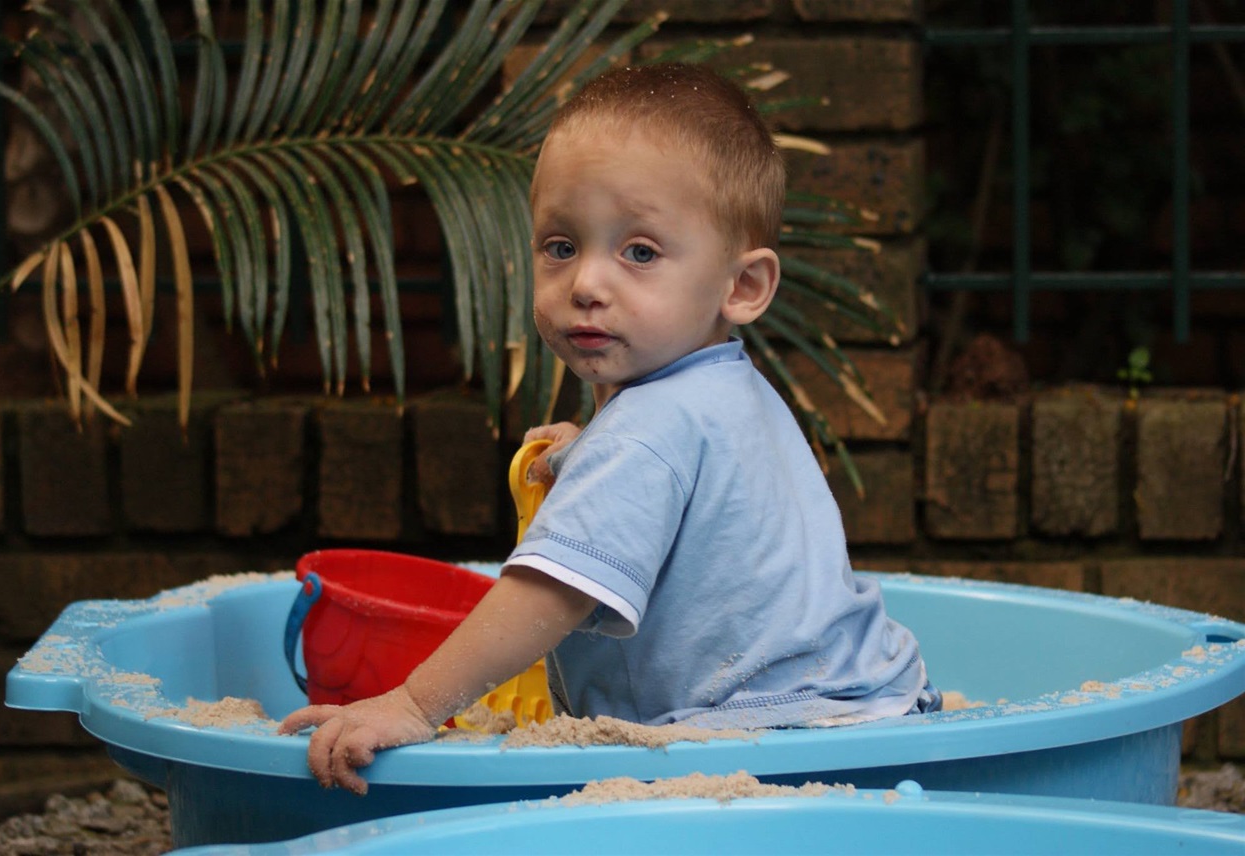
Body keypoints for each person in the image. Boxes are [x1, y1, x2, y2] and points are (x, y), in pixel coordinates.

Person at [280, 62, 938, 795]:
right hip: (872, 703)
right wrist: (591, 450)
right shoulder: (725, 391)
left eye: (640, 253)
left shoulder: (644, 435)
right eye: (561, 246)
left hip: (766, 742)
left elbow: (550, 593)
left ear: (742, 286)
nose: (587, 284)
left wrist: (411, 704)